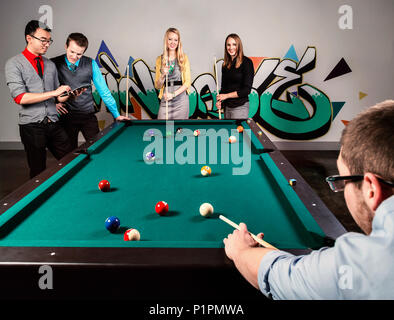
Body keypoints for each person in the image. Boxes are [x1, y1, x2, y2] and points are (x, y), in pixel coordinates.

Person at [223, 100, 394, 299]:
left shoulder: (362, 264)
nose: (340, 189)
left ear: (371, 189)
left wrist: (240, 251)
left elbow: (280, 275)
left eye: (341, 181)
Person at [5, 20, 73, 178]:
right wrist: (54, 93)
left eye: (49, 41)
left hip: (54, 123)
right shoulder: (14, 64)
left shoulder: (50, 65)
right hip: (32, 127)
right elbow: (20, 98)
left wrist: (69, 94)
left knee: (72, 159)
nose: (47, 44)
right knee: (38, 172)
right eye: (43, 40)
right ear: (29, 38)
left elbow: (58, 98)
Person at [51, 33, 129, 150]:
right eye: (72, 51)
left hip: (87, 115)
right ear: (66, 46)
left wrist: (116, 115)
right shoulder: (53, 63)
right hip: (65, 116)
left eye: (79, 54)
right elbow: (44, 89)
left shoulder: (90, 63)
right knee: (69, 153)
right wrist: (53, 104)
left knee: (97, 148)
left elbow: (104, 91)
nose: (74, 56)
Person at [154, 27, 191, 119]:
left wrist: (173, 94)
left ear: (178, 42)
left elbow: (187, 83)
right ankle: (169, 134)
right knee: (167, 131)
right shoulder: (160, 59)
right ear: (166, 40)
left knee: (179, 131)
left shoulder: (183, 58)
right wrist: (162, 75)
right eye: (170, 39)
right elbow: (157, 86)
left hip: (181, 101)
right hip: (166, 98)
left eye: (175, 40)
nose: (172, 42)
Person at [216, 34, 254, 119]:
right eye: (228, 45)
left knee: (236, 133)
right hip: (227, 107)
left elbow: (246, 90)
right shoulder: (225, 65)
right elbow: (224, 88)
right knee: (228, 132)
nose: (231, 47)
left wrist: (226, 96)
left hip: (240, 107)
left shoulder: (247, 62)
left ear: (239, 46)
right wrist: (220, 101)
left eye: (234, 44)